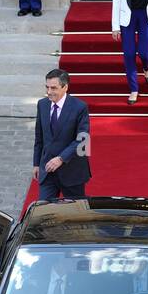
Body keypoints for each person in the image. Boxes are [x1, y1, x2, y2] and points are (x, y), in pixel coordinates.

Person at [33, 69, 91, 200]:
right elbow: (39, 137)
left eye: (53, 88)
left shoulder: (80, 107)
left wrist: (61, 159)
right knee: (44, 212)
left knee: (76, 214)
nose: (49, 92)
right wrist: (36, 164)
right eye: (47, 87)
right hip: (47, 171)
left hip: (72, 171)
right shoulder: (42, 105)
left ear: (65, 87)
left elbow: (83, 140)